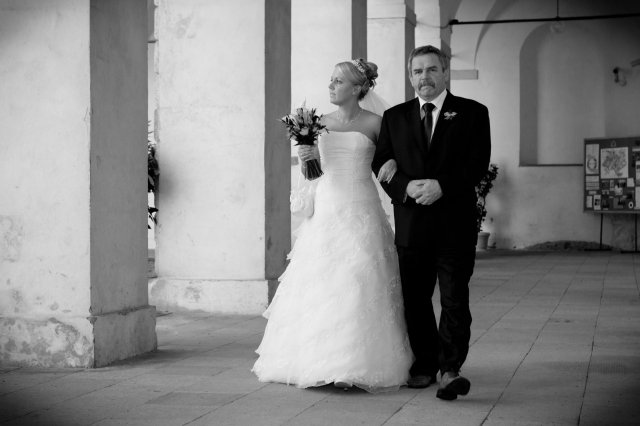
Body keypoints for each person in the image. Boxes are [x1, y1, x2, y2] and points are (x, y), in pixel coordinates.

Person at [252, 59, 413, 393]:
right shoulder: (318, 122)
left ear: (358, 88)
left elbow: (393, 155)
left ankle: (355, 361)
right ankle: (317, 359)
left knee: (358, 279)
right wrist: (306, 158)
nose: (331, 85)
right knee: (322, 279)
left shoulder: (376, 122)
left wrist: (393, 161)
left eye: (338, 81)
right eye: (331, 79)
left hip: (361, 206)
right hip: (327, 207)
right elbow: (313, 172)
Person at [372, 45, 491, 400]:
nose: (424, 77)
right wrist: (405, 186)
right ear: (410, 76)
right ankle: (424, 364)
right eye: (417, 71)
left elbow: (477, 163)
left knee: (454, 298)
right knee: (416, 299)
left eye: (431, 69)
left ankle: (451, 369)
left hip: (455, 223)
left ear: (445, 72)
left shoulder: (473, 113)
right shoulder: (394, 117)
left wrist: (443, 186)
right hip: (412, 224)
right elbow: (381, 163)